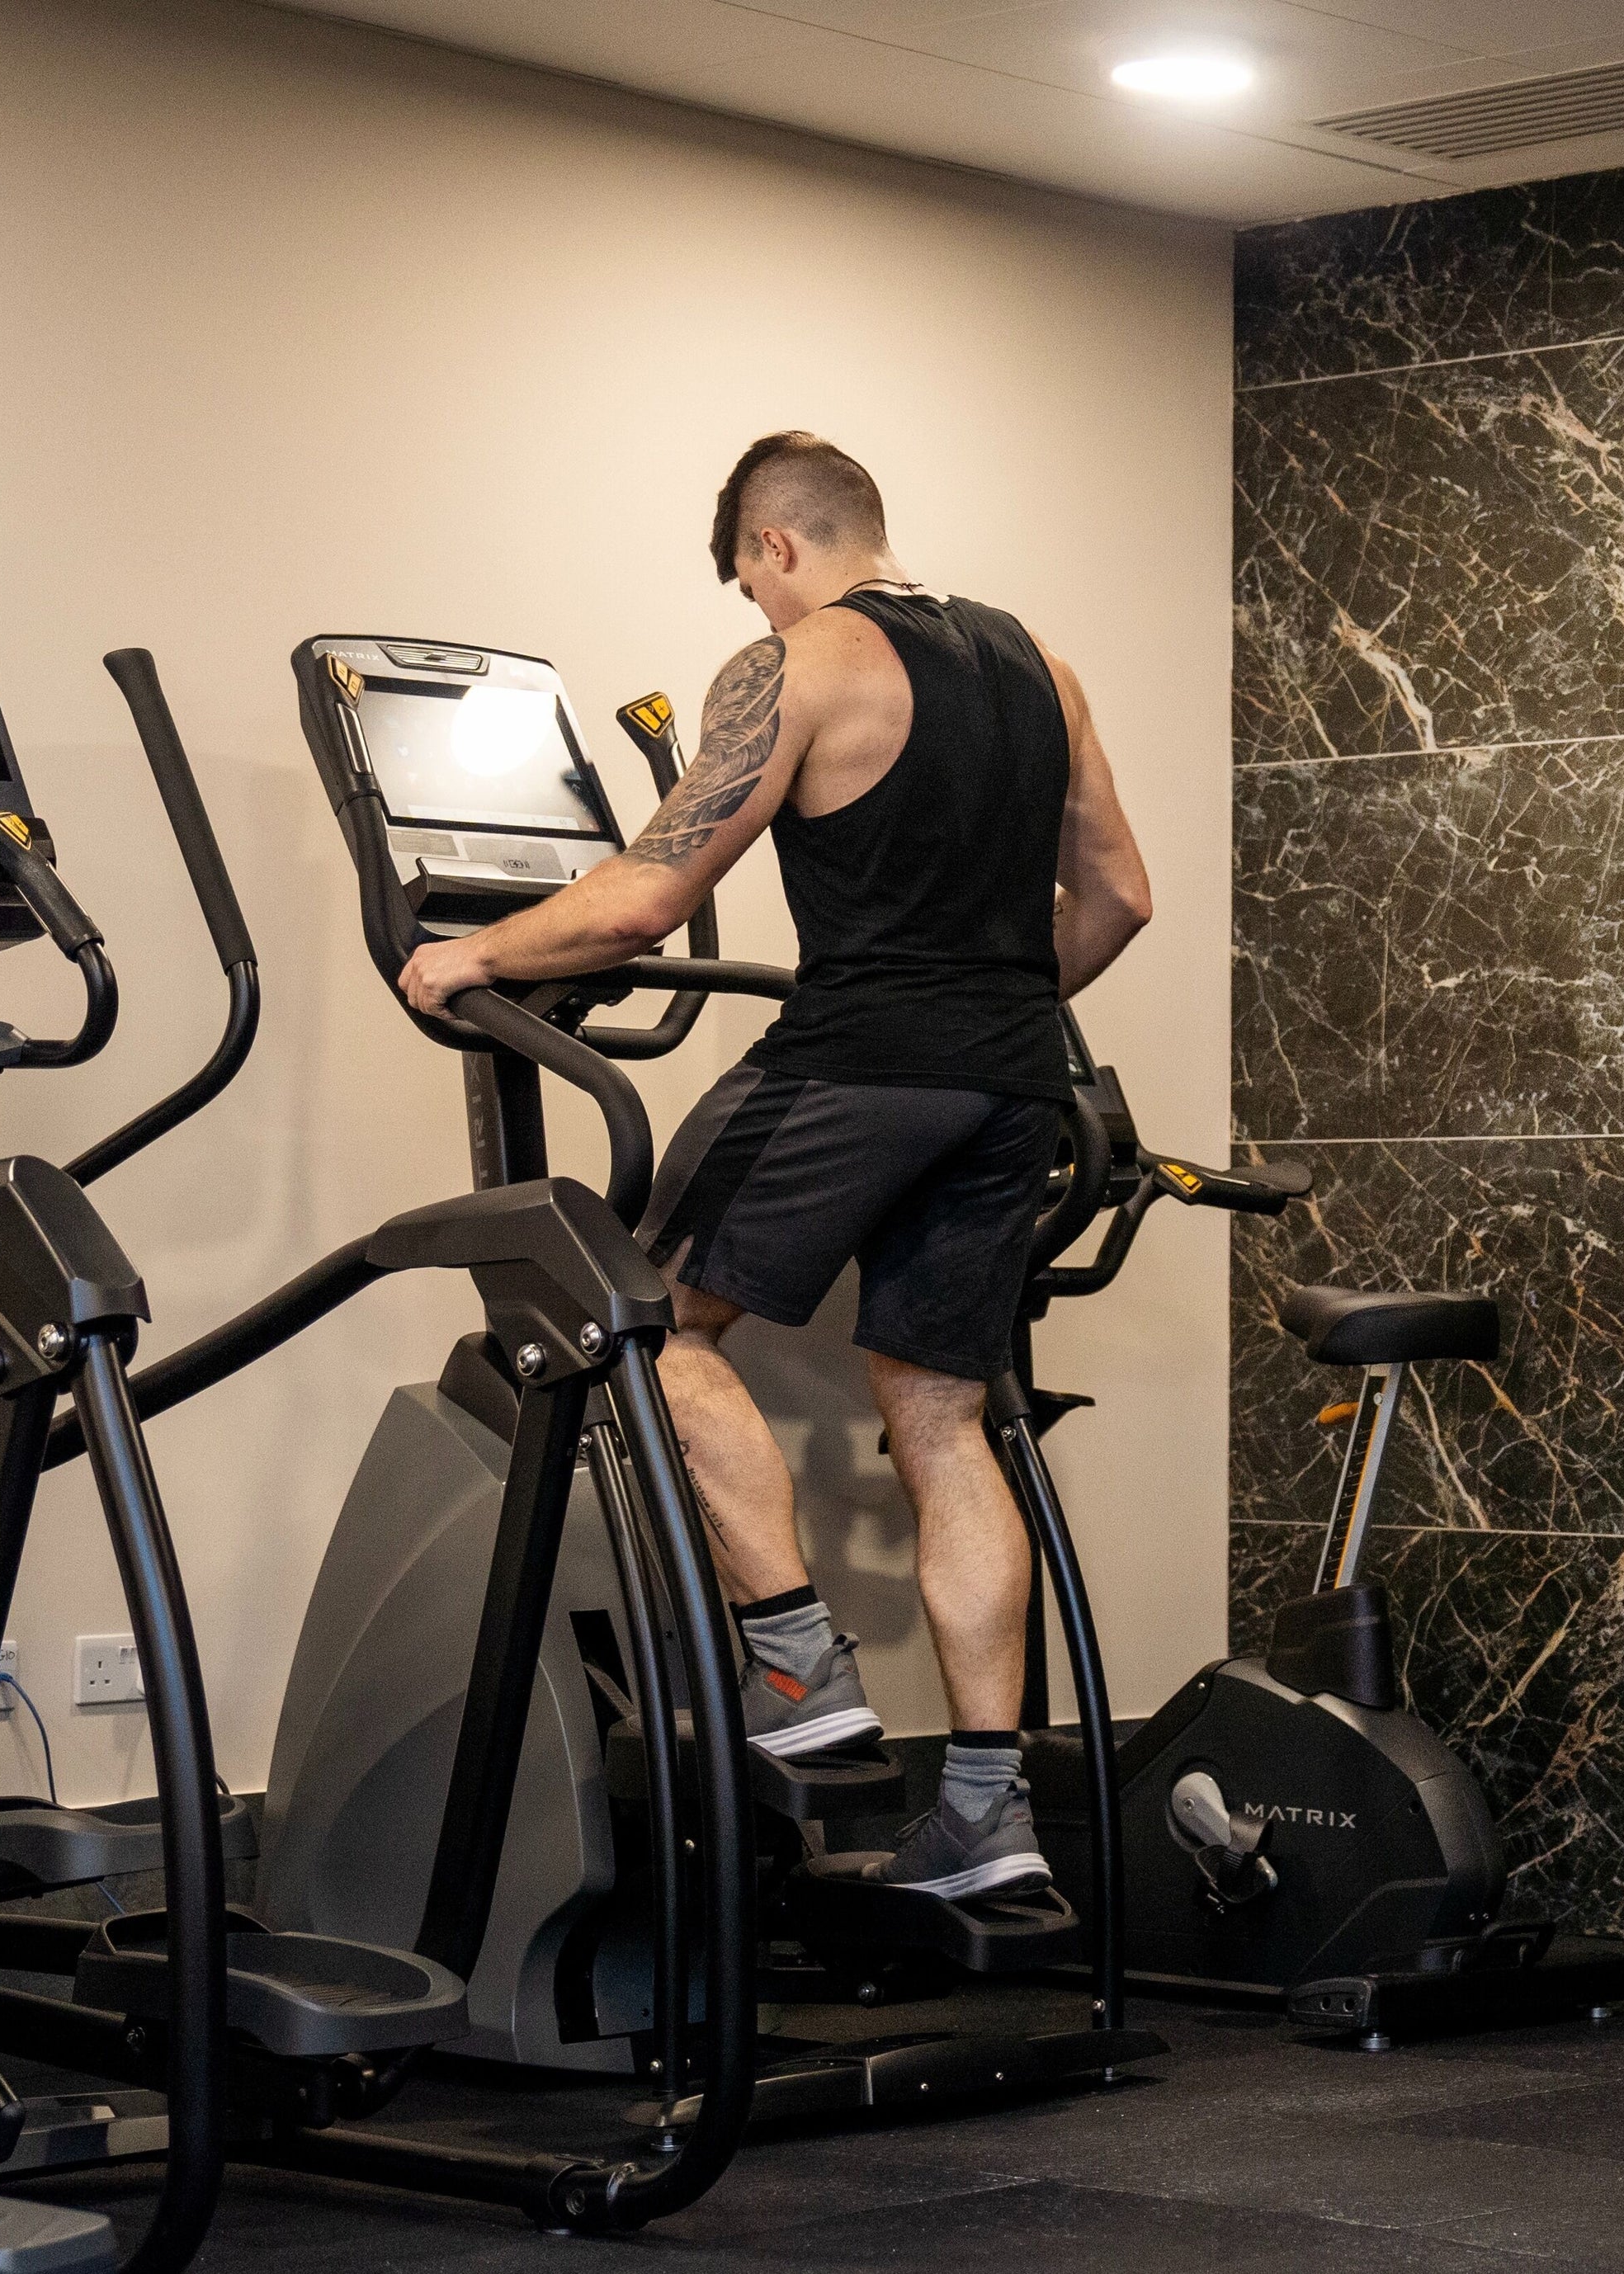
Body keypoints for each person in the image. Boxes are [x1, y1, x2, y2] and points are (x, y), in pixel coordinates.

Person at [399, 432, 1154, 1897]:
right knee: (943, 1420)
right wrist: (980, 1012)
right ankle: (984, 1821)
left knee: (637, 1315)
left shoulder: (801, 661)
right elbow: (1120, 897)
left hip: (853, 1056)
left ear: (774, 547)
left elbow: (644, 900)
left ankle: (803, 1674)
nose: (753, 609)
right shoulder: (1038, 667)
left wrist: (469, 959)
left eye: (749, 579)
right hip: (1013, 1081)